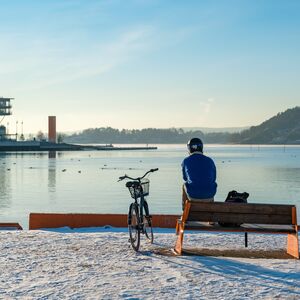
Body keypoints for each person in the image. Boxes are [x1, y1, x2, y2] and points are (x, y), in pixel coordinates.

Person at [181, 138, 217, 210]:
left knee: (184, 185)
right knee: (211, 184)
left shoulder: (186, 161)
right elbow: (214, 178)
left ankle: (184, 211)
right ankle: (210, 216)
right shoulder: (210, 160)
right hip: (209, 197)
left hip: (193, 196)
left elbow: (185, 178)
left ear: (189, 148)